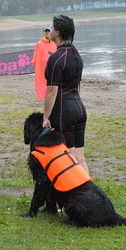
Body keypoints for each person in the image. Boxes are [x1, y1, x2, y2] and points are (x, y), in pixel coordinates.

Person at [42, 15, 88, 173]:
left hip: (64, 112)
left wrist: (46, 117)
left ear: (59, 32)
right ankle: (88, 194)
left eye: (53, 28)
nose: (51, 31)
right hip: (80, 109)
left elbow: (51, 92)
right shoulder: (77, 56)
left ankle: (75, 195)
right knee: (79, 158)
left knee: (68, 159)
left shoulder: (56, 58)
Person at [31, 25, 57, 101]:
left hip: (53, 67)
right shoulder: (39, 44)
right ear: (44, 32)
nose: (47, 33)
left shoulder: (54, 43)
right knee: (43, 82)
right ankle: (43, 95)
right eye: (46, 31)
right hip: (43, 67)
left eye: (49, 31)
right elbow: (35, 58)